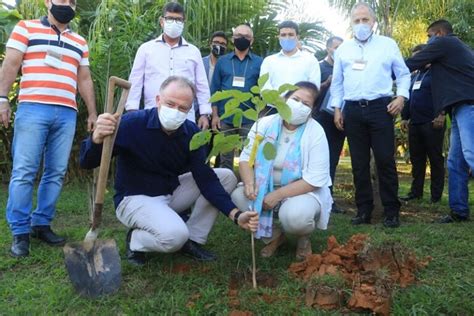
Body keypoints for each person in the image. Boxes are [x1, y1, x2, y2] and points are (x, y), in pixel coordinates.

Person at [80, 76, 259, 266]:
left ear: (190, 110)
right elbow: (87, 162)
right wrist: (96, 139)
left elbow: (205, 179)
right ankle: (136, 240)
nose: (175, 111)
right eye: (170, 104)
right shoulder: (131, 124)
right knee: (174, 236)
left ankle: (193, 239)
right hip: (133, 199)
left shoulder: (191, 134)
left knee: (226, 176)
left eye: (182, 108)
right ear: (158, 100)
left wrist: (236, 215)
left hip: (169, 193)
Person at [0, 0, 97, 258]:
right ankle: (20, 232)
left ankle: (41, 223)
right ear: (48, 2)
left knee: (55, 172)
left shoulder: (79, 41)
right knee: (24, 170)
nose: (66, 4)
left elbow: (84, 78)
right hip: (33, 108)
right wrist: (1, 100)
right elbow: (10, 65)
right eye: (61, 0)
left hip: (66, 112)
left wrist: (93, 112)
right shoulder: (25, 28)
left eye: (71, 1)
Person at [330, 2, 411, 228]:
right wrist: (337, 108)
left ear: (373, 22)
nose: (361, 24)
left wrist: (401, 97)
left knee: (385, 160)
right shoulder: (343, 49)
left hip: (381, 108)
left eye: (365, 20)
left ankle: (391, 211)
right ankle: (363, 210)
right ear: (351, 23)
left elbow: (403, 75)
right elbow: (337, 83)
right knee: (359, 163)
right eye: (357, 20)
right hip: (352, 110)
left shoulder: (387, 45)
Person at [231, 81, 332, 261]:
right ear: (284, 100)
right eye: (295, 99)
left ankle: (303, 238)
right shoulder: (264, 124)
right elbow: (246, 158)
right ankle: (276, 237)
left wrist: (277, 195)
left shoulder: (316, 132)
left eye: (306, 104)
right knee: (239, 196)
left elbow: (315, 179)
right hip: (264, 186)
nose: (299, 105)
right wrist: (249, 184)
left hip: (300, 192)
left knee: (296, 218)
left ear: (312, 111)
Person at [405, 19, 474, 223]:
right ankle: (459, 211)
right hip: (460, 107)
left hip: (469, 106)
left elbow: (412, 63)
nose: (428, 42)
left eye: (429, 36)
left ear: (440, 33)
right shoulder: (456, 49)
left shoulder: (445, 43)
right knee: (455, 162)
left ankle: (459, 209)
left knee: (471, 155)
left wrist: (382, 68)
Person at [125, 2, 211, 129]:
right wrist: (132, 110)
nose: (174, 22)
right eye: (170, 18)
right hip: (153, 114)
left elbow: (202, 84)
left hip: (185, 116)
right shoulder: (146, 49)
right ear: (162, 21)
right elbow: (135, 81)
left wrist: (205, 113)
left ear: (183, 23)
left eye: (178, 19)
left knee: (183, 147)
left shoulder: (193, 51)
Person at [210, 24, 263, 170]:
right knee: (225, 157)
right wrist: (215, 115)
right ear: (233, 39)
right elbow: (215, 89)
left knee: (249, 156)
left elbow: (263, 91)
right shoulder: (222, 61)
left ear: (251, 41)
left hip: (249, 118)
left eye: (246, 37)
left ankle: (247, 186)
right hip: (225, 117)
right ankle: (225, 187)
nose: (242, 39)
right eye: (238, 36)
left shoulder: (260, 62)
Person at [400, 44, 445, 203]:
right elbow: (407, 97)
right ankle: (415, 192)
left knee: (435, 159)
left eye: (419, 57)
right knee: (417, 160)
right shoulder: (415, 75)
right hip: (415, 123)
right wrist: (405, 117)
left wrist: (441, 113)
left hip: (432, 122)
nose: (416, 60)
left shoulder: (437, 73)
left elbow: (444, 95)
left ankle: (436, 196)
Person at [313, 36, 345, 214]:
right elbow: (309, 93)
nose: (338, 50)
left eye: (342, 47)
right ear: (328, 49)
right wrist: (326, 83)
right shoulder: (318, 67)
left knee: (333, 159)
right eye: (335, 47)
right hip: (320, 118)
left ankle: (329, 199)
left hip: (339, 119)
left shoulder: (346, 67)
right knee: (317, 159)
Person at [259, 20, 321, 114]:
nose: (287, 38)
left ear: (297, 37)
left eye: (291, 34)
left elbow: (313, 88)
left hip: (300, 110)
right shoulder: (269, 61)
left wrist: (294, 102)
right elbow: (264, 87)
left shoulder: (310, 60)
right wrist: (281, 101)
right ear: (278, 37)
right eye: (283, 35)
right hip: (273, 110)